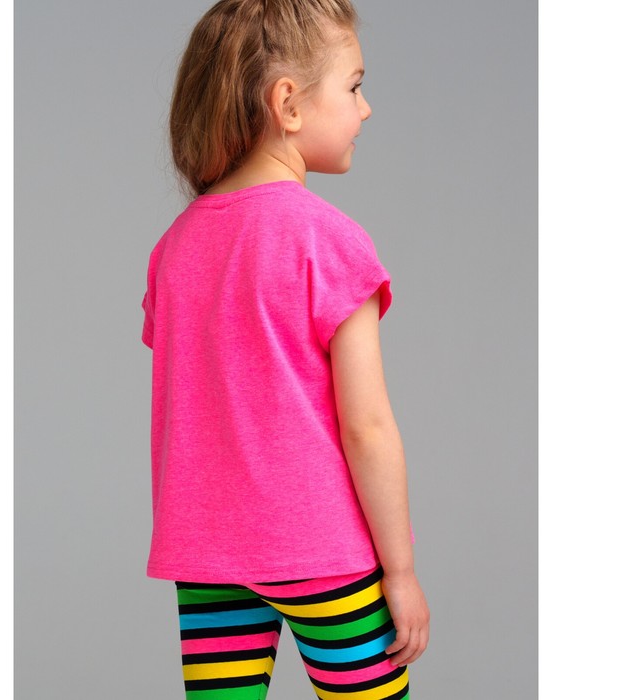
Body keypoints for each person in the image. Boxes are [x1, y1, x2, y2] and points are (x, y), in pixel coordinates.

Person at [140, 1, 430, 698]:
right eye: (354, 87)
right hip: (323, 553)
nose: (366, 109)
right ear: (288, 104)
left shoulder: (173, 249)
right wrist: (400, 572)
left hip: (208, 558)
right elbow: (367, 427)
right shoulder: (329, 240)